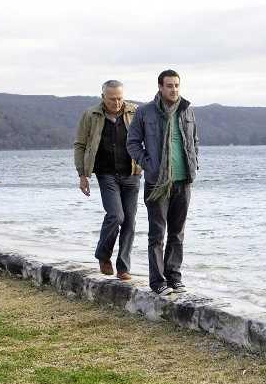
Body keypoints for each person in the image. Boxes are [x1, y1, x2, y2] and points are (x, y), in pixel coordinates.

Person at [126, 69, 199, 296]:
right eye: (169, 85)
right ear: (160, 87)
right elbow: (132, 142)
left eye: (176, 85)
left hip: (183, 181)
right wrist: (149, 164)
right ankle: (157, 281)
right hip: (157, 182)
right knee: (157, 234)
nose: (174, 89)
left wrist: (194, 162)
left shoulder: (187, 110)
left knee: (177, 233)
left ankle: (174, 277)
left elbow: (194, 140)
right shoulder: (145, 112)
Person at [73, 80, 141, 281]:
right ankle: (103, 255)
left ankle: (123, 268)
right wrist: (82, 174)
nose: (116, 102)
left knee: (129, 222)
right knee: (116, 216)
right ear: (103, 97)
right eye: (112, 99)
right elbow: (80, 145)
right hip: (106, 174)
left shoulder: (135, 112)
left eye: (120, 98)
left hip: (132, 173)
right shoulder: (90, 115)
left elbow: (147, 139)